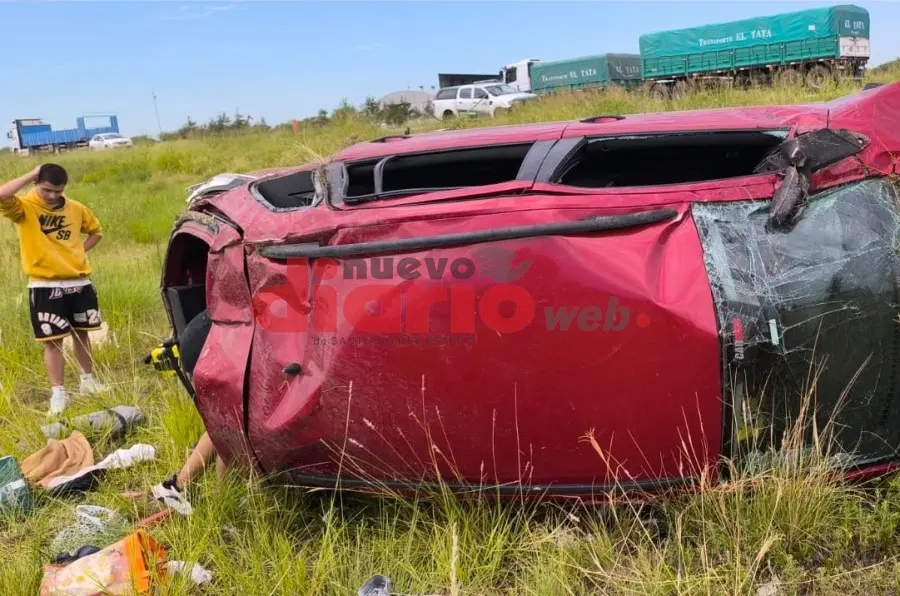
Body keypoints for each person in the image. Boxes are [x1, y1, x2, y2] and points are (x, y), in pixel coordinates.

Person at [0, 164, 110, 415]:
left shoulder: (75, 208)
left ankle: (88, 382)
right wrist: (30, 174)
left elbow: (96, 232)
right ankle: (58, 394)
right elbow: (2, 195)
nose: (52, 195)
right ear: (37, 184)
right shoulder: (25, 207)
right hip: (44, 284)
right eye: (47, 189)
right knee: (52, 342)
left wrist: (78, 251)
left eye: (57, 191)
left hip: (79, 281)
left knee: (82, 333)